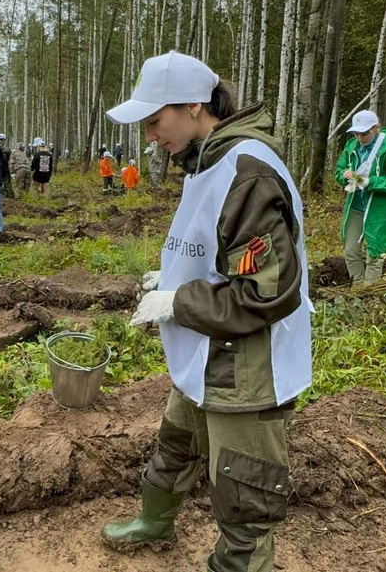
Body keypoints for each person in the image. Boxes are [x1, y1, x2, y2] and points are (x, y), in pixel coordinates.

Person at [101, 51, 310, 572]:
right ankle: (156, 520)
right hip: (207, 346)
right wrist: (166, 279)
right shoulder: (207, 161)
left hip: (243, 361)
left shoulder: (246, 169)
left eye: (155, 120)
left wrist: (177, 301)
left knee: (245, 482)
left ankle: (238, 565)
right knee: (177, 440)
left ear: (195, 105)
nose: (150, 135)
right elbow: (211, 250)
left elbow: (269, 291)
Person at [333, 110, 386, 286]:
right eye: (357, 133)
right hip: (356, 204)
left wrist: (371, 182)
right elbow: (339, 169)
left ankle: (370, 292)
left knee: (374, 252)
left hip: (380, 208)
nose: (361, 137)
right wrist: (344, 176)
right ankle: (358, 288)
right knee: (351, 249)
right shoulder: (352, 146)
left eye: (365, 133)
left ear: (376, 128)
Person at [0, 133, 15, 199]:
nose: (1, 141)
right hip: (3, 169)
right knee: (6, 184)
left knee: (1, 184)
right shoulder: (7, 150)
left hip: (0, 169)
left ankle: (5, 197)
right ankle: (9, 197)